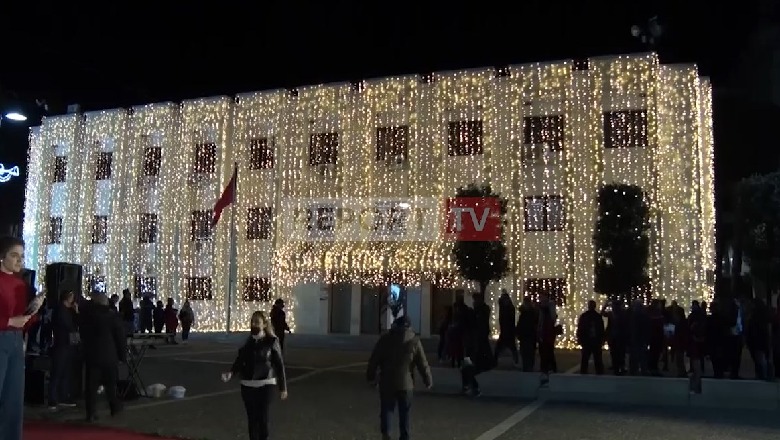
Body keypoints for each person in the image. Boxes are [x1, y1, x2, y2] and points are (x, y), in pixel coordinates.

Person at [0, 236, 43, 440]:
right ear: (2, 257)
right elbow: (9, 319)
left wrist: (33, 311)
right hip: (1, 338)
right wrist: (8, 322)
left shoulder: (20, 285)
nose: (20, 260)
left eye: (22, 256)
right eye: (14, 255)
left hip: (17, 341)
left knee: (14, 397)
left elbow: (22, 318)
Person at [222, 311, 288, 440]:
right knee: (252, 420)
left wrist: (283, 387)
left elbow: (279, 366)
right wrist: (231, 373)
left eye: (257, 322)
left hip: (266, 384)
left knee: (263, 418)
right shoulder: (248, 343)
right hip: (247, 386)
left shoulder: (272, 341)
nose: (253, 324)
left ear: (264, 324)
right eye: (252, 322)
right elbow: (239, 361)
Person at [367, 316, 432, 440]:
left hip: (387, 382)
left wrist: (370, 377)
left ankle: (386, 434)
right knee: (405, 414)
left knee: (387, 410)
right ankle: (405, 436)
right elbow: (422, 364)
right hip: (406, 384)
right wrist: (428, 380)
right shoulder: (414, 341)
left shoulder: (385, 340)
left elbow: (374, 360)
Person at [80, 293, 126, 422]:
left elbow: (83, 334)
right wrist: (122, 356)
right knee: (110, 385)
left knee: (91, 387)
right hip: (109, 356)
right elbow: (120, 338)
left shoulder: (87, 316)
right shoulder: (112, 316)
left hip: (92, 356)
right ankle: (114, 407)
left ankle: (91, 413)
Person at [48, 290, 80, 410]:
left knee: (66, 371)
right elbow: (68, 325)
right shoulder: (60, 310)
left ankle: (63, 395)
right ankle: (53, 398)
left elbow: (76, 322)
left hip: (68, 344)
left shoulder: (69, 310)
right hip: (61, 343)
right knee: (57, 371)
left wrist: (76, 312)